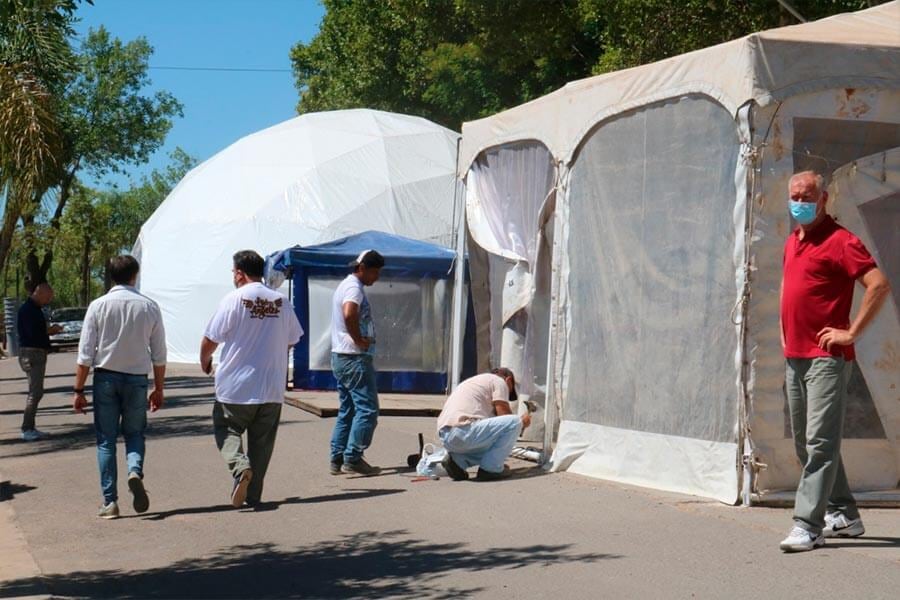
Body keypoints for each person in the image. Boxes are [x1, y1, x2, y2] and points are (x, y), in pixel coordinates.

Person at [778, 171, 890, 552]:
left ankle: (808, 524)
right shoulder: (794, 240)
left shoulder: (842, 241)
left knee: (820, 443)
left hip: (827, 357)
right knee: (805, 444)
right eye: (794, 196)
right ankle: (845, 513)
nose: (799, 203)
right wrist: (784, 334)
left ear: (823, 198)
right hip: (794, 355)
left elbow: (878, 284)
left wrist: (852, 332)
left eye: (806, 196)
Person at [200, 250, 303, 508]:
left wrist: (205, 361)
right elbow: (292, 339)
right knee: (262, 443)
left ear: (239, 273)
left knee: (227, 429)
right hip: (270, 387)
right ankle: (252, 495)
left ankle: (239, 467)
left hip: (235, 386)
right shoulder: (281, 301)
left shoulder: (234, 299)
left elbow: (211, 338)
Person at [73, 256, 167, 519]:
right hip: (137, 379)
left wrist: (78, 391)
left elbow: (85, 354)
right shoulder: (149, 307)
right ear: (134, 275)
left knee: (106, 440)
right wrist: (158, 388)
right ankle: (134, 470)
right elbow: (159, 353)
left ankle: (110, 502)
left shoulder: (98, 306)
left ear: (111, 276)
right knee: (135, 433)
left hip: (105, 378)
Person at [329, 249, 385, 476]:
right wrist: (358, 339)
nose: (377, 277)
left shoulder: (346, 284)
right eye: (375, 272)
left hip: (342, 356)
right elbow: (350, 313)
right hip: (353, 357)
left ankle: (337, 457)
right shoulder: (353, 288)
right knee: (368, 410)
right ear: (362, 269)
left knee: (348, 409)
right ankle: (353, 457)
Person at [436, 368, 531, 482]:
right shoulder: (499, 381)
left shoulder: (475, 383)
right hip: (463, 430)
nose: (506, 396)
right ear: (509, 380)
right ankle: (491, 469)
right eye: (509, 392)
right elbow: (504, 416)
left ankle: (458, 461)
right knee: (514, 422)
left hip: (446, 436)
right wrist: (522, 423)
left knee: (493, 443)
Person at [16, 282, 62, 441]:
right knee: (35, 393)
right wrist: (51, 330)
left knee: (36, 392)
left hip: (36, 352)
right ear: (40, 293)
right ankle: (26, 428)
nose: (48, 300)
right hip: (32, 353)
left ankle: (30, 427)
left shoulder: (34, 309)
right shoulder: (28, 310)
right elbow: (33, 332)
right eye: (47, 297)